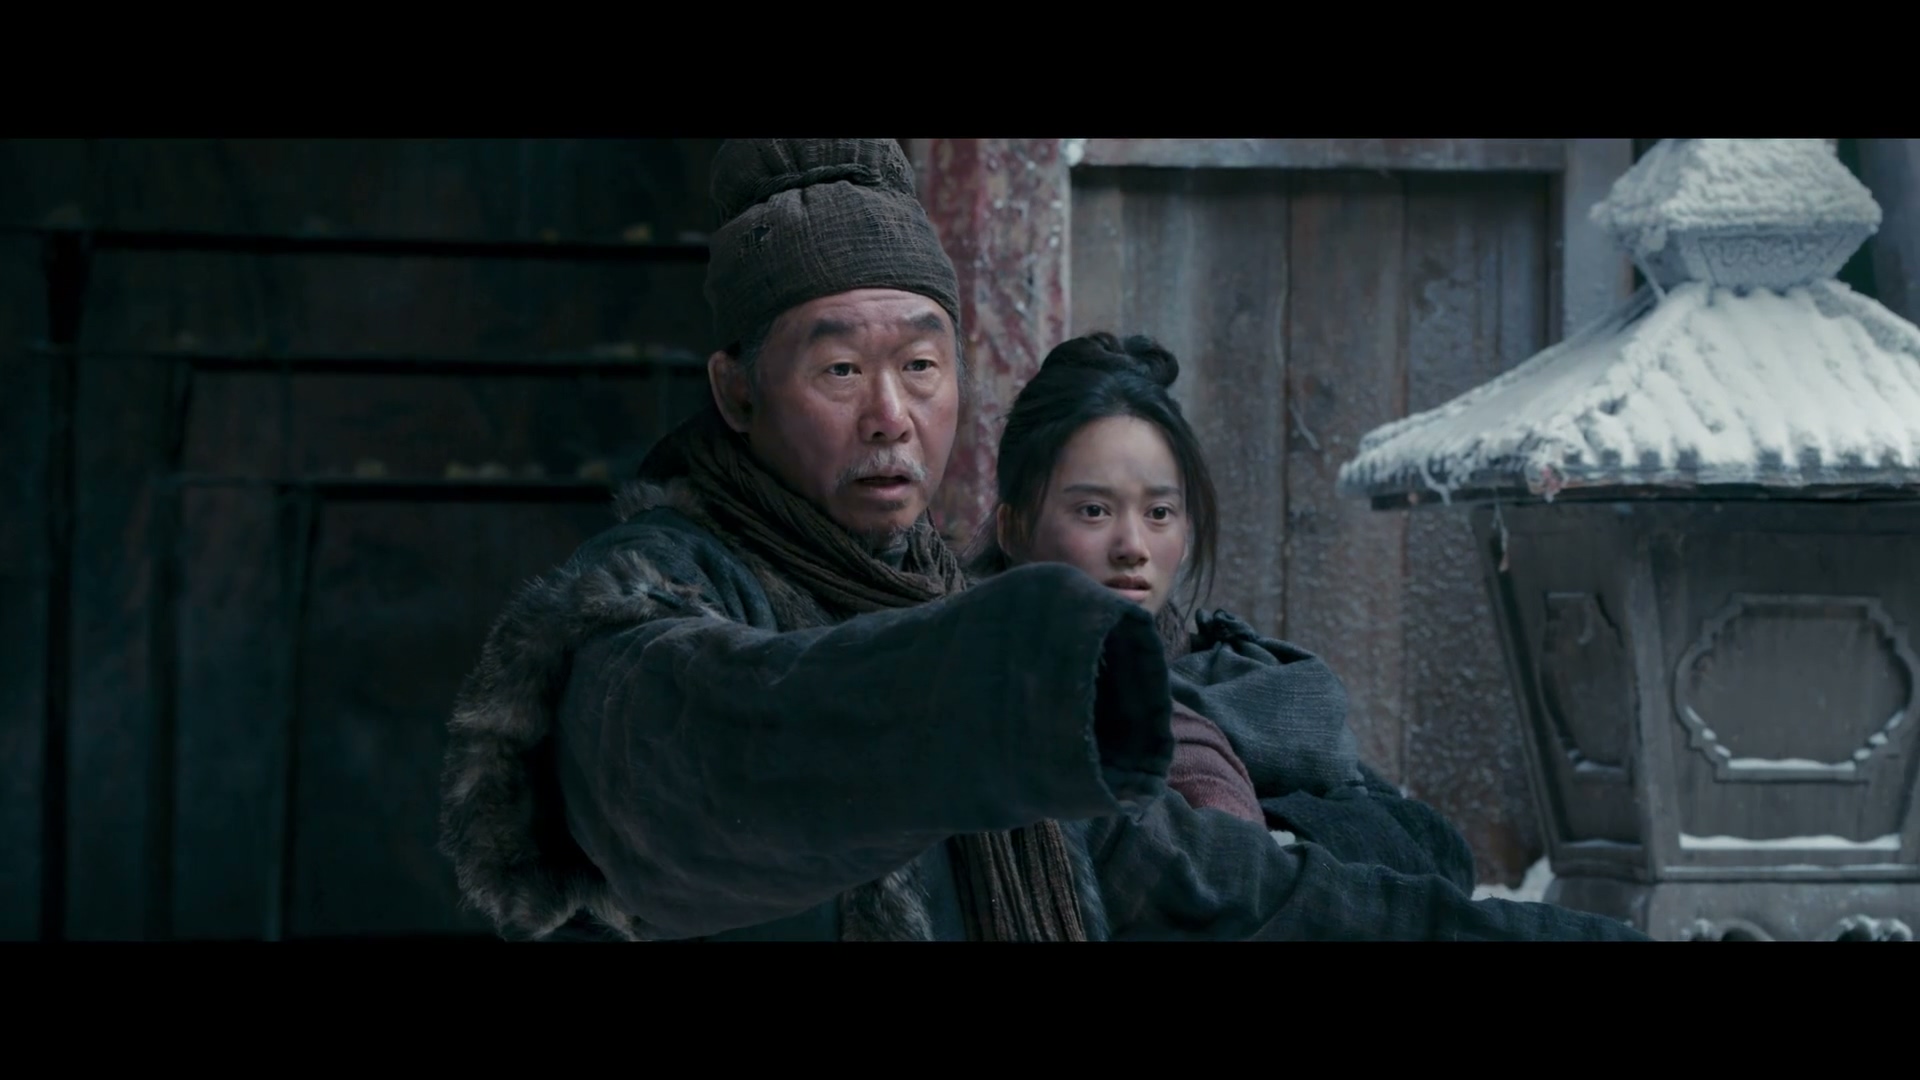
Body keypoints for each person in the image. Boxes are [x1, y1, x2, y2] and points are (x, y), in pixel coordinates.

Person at [436, 137, 1649, 941]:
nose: (891, 415)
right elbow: (708, 761)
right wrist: (1006, 669)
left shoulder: (956, 625)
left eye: (922, 365)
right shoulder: (653, 602)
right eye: (841, 370)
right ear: (737, 393)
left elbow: (1213, 887)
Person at [964, 330, 1486, 888]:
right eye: (1094, 510)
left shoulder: (1242, 687)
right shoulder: (988, 685)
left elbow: (1437, 850)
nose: (1133, 546)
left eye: (1159, 513)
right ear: (1015, 529)